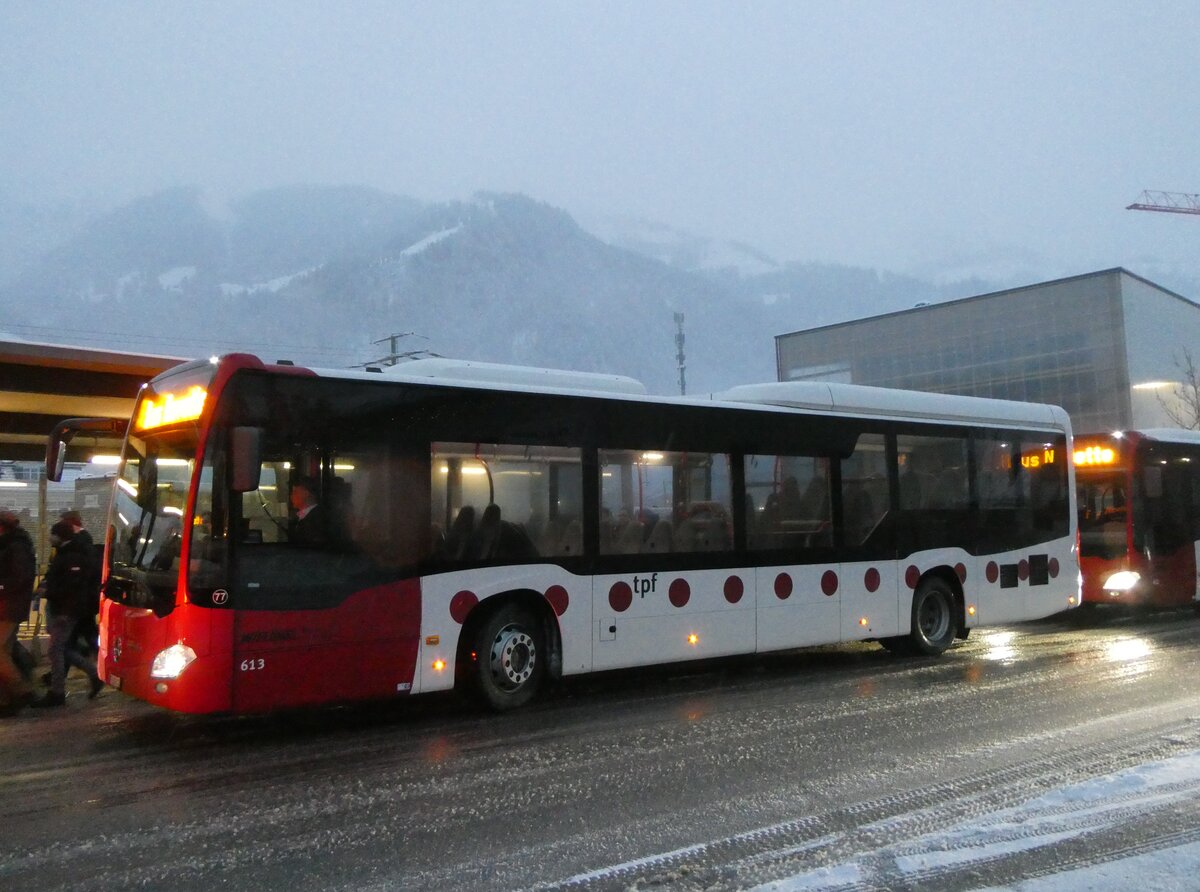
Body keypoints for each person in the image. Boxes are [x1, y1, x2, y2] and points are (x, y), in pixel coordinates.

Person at [32, 520, 102, 707]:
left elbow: (72, 588)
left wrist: (48, 592)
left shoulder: (71, 557)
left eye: (52, 534)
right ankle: (92, 675)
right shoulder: (66, 554)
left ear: (60, 536)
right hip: (65, 608)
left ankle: (58, 692)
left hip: (65, 610)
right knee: (62, 648)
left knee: (56, 650)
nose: (49, 537)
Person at [0, 510, 36, 716]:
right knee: (7, 650)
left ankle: (23, 690)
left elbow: (18, 578)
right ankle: (7, 699)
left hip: (11, 607)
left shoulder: (17, 547)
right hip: (8, 605)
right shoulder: (10, 545)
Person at [59, 509, 100, 656]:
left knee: (73, 637)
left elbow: (83, 571)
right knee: (80, 634)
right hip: (83, 598)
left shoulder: (80, 542)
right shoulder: (83, 540)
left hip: (82, 598)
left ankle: (93, 667)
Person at [288, 476, 326, 546]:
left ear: (306, 493)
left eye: (295, 492)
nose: (291, 496)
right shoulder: (300, 517)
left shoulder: (317, 519)